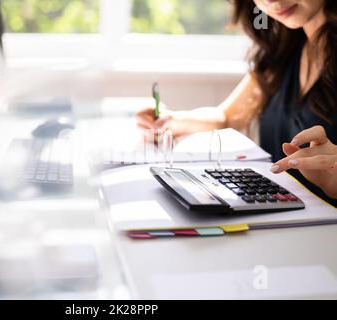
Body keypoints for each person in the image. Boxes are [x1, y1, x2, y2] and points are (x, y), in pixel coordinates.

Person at [137, 0, 337, 206]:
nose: (271, 1)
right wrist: (175, 121)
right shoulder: (284, 50)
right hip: (281, 220)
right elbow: (230, 116)